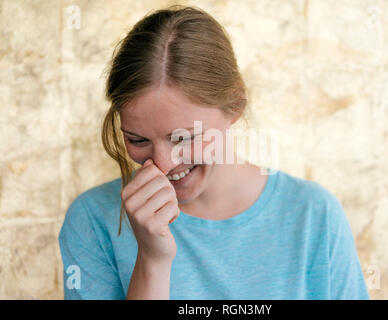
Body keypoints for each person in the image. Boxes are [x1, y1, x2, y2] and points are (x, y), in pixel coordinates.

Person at [58, 5, 370, 300]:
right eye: (138, 140)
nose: (163, 164)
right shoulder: (92, 219)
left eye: (184, 137)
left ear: (235, 106)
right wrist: (152, 261)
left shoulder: (315, 215)